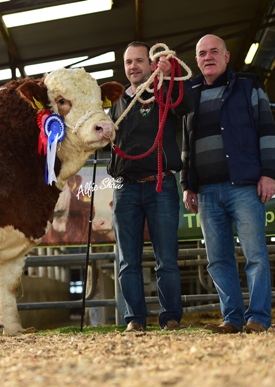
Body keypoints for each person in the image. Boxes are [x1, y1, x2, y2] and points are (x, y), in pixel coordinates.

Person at [180, 34, 275, 333]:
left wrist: (269, 173)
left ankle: (258, 318)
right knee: (218, 259)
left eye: (214, 52)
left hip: (244, 186)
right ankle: (232, 318)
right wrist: (187, 183)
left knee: (255, 255)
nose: (208, 57)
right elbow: (186, 142)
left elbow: (267, 130)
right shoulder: (190, 92)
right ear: (196, 60)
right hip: (206, 190)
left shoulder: (248, 86)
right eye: (201, 53)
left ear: (226, 57)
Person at [107, 41, 192, 332]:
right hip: (125, 187)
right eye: (129, 61)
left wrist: (169, 74)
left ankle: (170, 317)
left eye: (139, 61)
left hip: (160, 185)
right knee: (127, 260)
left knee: (166, 258)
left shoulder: (162, 92)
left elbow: (185, 105)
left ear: (150, 63)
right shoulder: (117, 103)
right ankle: (135, 320)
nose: (133, 66)